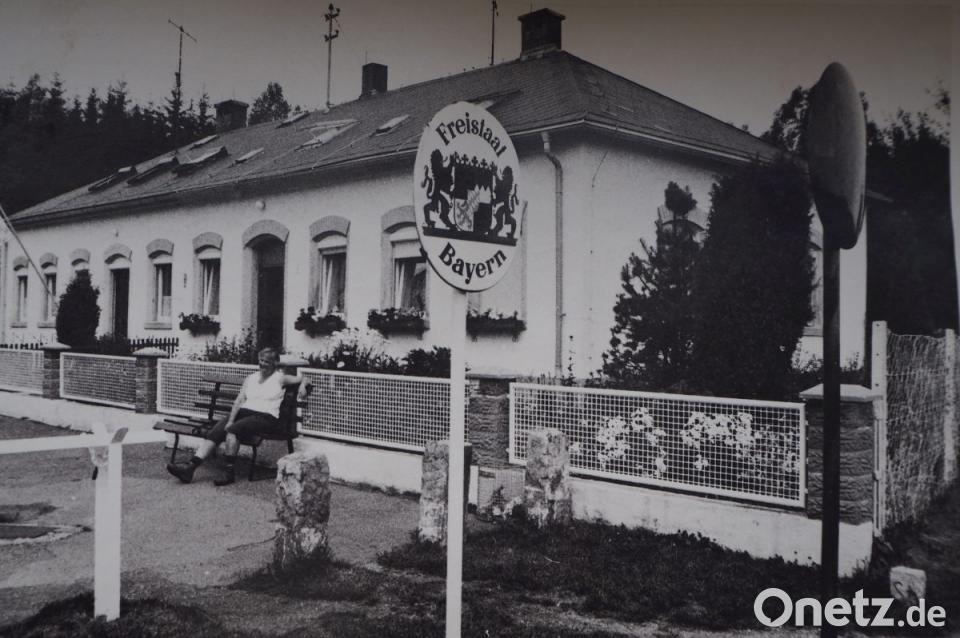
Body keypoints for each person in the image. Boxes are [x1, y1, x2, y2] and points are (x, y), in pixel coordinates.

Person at [166, 347, 303, 486]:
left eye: (267, 361)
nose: (262, 364)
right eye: (261, 360)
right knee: (217, 431)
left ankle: (229, 473)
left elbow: (303, 378)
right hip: (245, 413)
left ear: (275, 363)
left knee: (233, 430)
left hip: (266, 417)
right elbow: (239, 400)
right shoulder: (251, 378)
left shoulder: (280, 378)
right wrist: (230, 420)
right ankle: (190, 467)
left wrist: (303, 386)